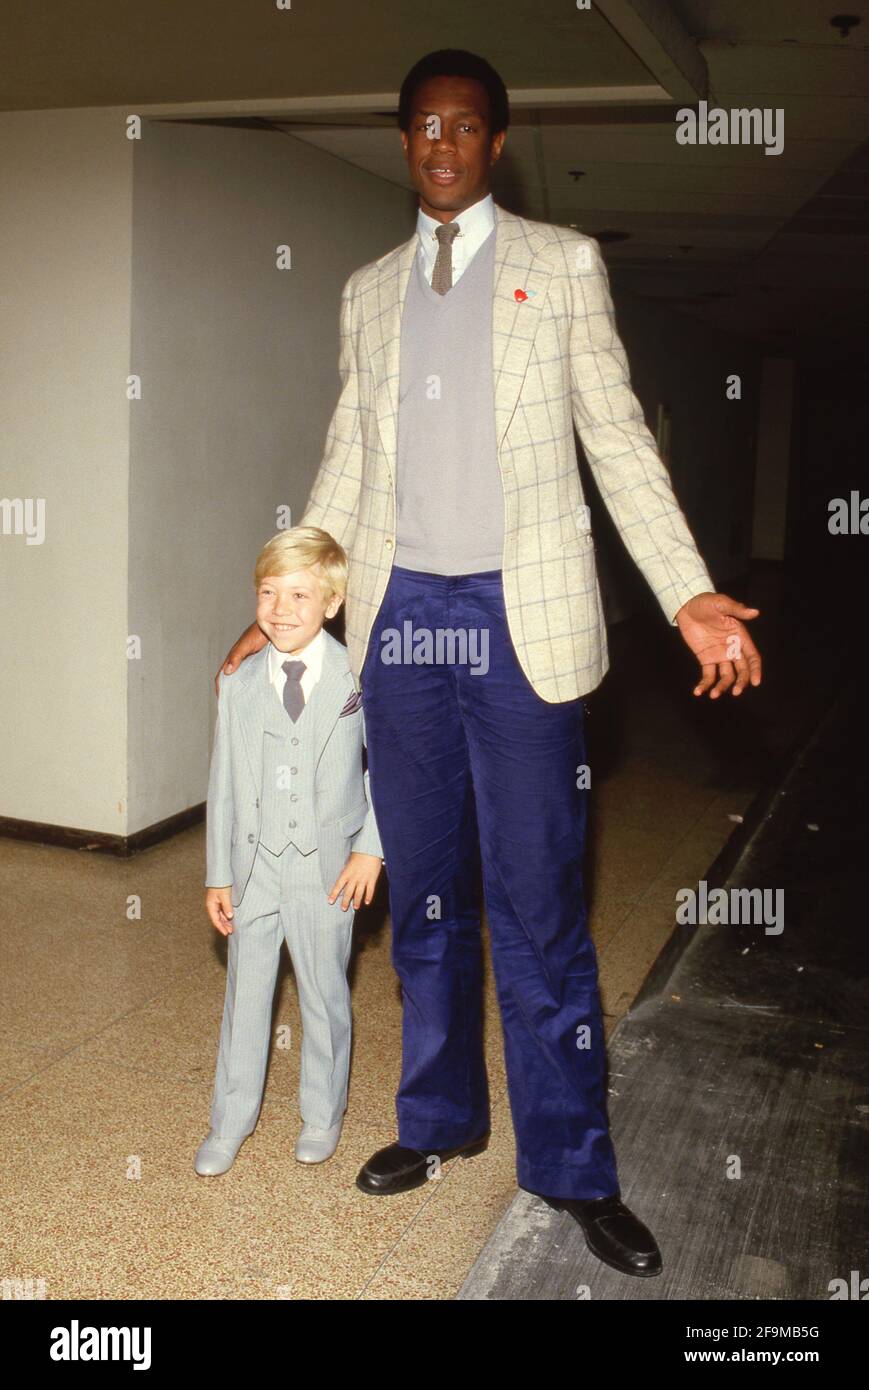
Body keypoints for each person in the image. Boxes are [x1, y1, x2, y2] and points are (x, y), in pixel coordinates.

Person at [216, 51, 762, 1276]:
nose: (444, 145)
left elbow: (614, 438)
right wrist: (291, 602)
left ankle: (572, 1167)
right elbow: (345, 462)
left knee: (538, 907)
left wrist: (684, 594)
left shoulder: (560, 265)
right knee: (418, 894)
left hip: (523, 624)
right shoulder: (364, 292)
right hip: (402, 619)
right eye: (424, 128)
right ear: (404, 144)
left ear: (497, 142)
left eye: (466, 126)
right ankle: (439, 1121)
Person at [197, 527, 382, 1176]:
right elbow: (223, 783)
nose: (279, 609)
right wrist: (218, 873)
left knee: (323, 993)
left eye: (299, 594)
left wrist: (372, 849)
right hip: (253, 867)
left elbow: (388, 765)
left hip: (326, 867)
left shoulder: (358, 675)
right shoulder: (238, 683)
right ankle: (230, 1120)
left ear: (332, 602)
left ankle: (321, 1115)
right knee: (244, 996)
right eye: (267, 592)